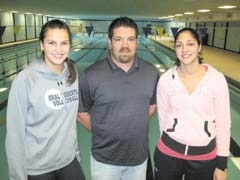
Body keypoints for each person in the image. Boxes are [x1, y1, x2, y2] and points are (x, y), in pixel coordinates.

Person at [77, 16, 159, 180]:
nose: (125, 45)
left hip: (138, 159)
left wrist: (131, 124)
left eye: (130, 39)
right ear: (109, 42)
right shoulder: (91, 75)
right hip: (104, 160)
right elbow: (81, 113)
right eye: (118, 39)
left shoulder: (151, 72)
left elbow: (152, 105)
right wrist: (104, 131)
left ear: (137, 42)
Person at [5, 19, 85, 180]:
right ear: (42, 45)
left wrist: (75, 152)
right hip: (37, 168)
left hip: (68, 161)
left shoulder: (72, 73)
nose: (58, 49)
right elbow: (14, 135)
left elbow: (69, 121)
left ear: (70, 45)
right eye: (51, 43)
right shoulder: (25, 79)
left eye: (64, 43)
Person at [154, 27, 231, 180]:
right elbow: (163, 119)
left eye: (190, 44)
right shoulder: (166, 80)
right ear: (175, 49)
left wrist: (222, 164)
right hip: (168, 155)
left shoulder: (216, 79)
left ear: (199, 47)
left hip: (204, 158)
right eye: (179, 45)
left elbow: (223, 122)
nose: (184, 49)